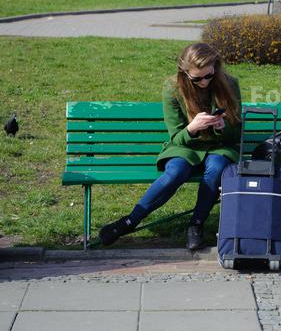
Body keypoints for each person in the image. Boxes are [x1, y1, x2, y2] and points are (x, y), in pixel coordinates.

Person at [98, 43, 242, 250]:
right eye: (197, 78)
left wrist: (222, 126)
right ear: (185, 73)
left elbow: (236, 132)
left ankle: (196, 225)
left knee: (217, 168)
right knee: (176, 171)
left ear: (215, 67)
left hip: (219, 147)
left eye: (209, 75)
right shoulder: (173, 88)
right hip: (185, 147)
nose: (204, 82)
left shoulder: (229, 83)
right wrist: (192, 128)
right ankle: (130, 220)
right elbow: (176, 137)